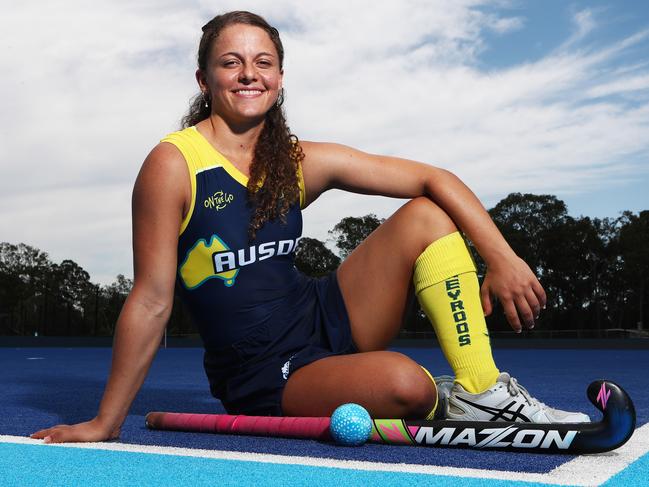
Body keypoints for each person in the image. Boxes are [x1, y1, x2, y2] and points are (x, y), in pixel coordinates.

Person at [31, 11, 589, 444]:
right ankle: (433, 393)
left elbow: (433, 176)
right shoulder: (174, 164)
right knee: (407, 385)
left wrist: (502, 257)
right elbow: (153, 300)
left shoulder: (295, 160)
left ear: (279, 76)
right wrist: (107, 420)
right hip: (260, 369)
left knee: (426, 213)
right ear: (203, 78)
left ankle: (483, 390)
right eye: (231, 62)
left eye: (263, 61)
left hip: (324, 315)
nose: (249, 73)